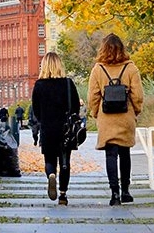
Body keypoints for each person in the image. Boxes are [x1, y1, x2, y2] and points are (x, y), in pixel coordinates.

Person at [88, 33, 144, 206]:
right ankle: (126, 190)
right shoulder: (131, 68)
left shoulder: (98, 69)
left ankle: (114, 194)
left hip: (107, 117)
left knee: (110, 154)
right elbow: (138, 95)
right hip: (125, 115)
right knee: (125, 153)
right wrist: (135, 110)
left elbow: (93, 96)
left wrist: (96, 113)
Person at [31, 51, 81, 206]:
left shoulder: (39, 85)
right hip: (65, 129)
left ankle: (51, 174)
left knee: (50, 160)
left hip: (48, 128)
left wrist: (42, 122)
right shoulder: (68, 83)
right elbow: (75, 107)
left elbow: (36, 110)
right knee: (65, 161)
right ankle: (63, 196)